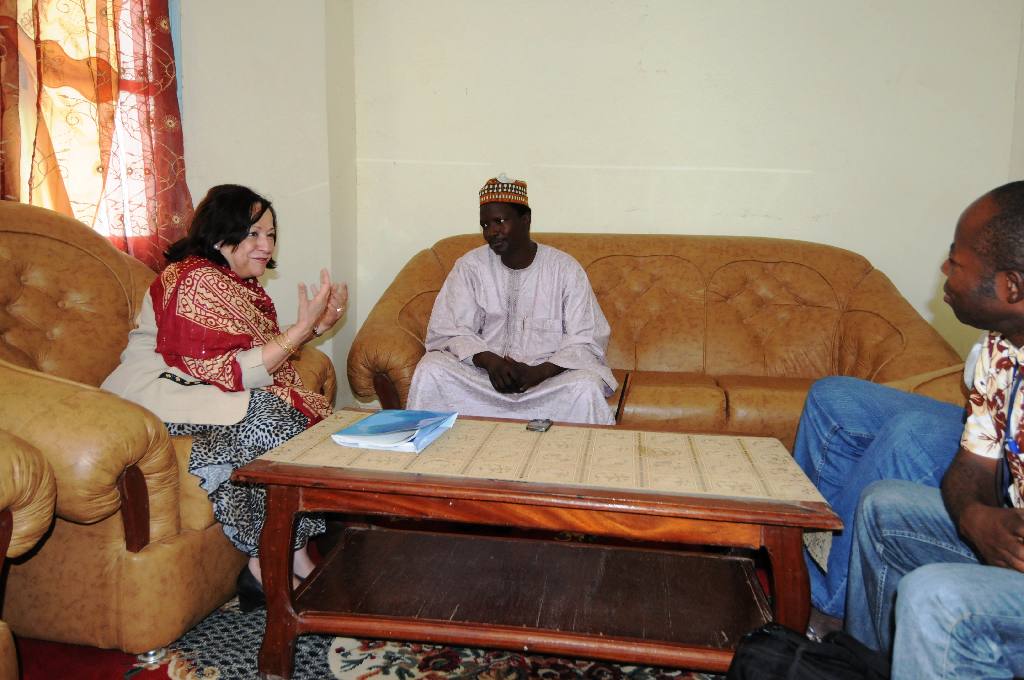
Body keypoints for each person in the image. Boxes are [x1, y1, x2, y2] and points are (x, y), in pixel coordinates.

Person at [102, 184, 347, 611]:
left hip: (203, 390)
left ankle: (292, 555)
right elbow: (229, 369)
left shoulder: (235, 285)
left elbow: (251, 355)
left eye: (271, 235)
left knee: (297, 420)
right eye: (253, 234)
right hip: (158, 396)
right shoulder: (194, 279)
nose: (266, 245)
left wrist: (314, 327)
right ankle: (265, 564)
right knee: (277, 420)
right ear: (220, 235)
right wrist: (299, 331)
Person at [844, 181, 1024, 678]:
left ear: (1011, 287)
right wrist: (975, 518)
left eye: (957, 261)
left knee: (935, 597)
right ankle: (856, 665)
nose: (946, 270)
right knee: (882, 505)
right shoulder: (999, 352)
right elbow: (972, 466)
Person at [406, 175, 617, 424]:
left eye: (500, 221)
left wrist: (540, 372)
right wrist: (489, 360)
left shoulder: (564, 270)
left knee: (586, 386)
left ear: (525, 220)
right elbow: (449, 330)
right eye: (485, 225)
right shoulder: (470, 267)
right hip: (484, 379)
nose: (491, 232)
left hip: (546, 383)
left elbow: (586, 339)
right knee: (431, 369)